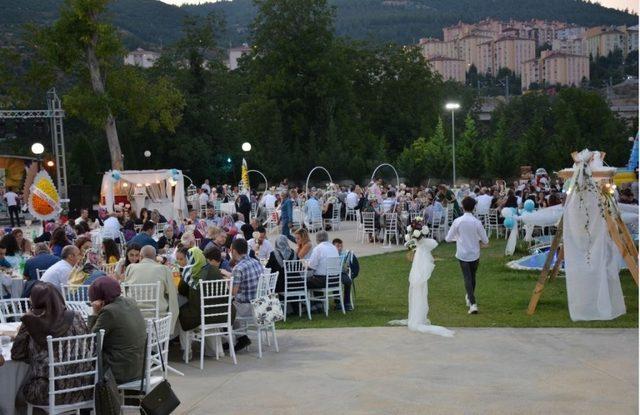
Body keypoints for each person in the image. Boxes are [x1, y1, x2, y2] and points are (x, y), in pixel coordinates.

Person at [11, 282, 91, 406]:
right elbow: (89, 345)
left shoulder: (30, 320)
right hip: (84, 387)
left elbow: (17, 354)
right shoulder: (76, 316)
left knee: (18, 394)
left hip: (47, 392)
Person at [87, 277, 147, 384]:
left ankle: (90, 397)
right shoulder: (131, 302)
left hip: (119, 370)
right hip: (139, 366)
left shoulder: (109, 311)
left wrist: (95, 313)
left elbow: (91, 341)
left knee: (81, 359)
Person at [445, 196, 489, 315]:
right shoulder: (477, 222)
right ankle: (470, 299)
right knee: (472, 277)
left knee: (468, 278)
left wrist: (458, 237)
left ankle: (473, 302)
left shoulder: (457, 221)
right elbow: (485, 240)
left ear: (462, 207)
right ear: (474, 208)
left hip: (463, 253)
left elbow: (448, 239)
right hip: (474, 253)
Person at [176, 246, 234, 333]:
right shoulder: (215, 270)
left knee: (179, 310)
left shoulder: (191, 272)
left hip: (203, 315)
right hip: (225, 312)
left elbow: (181, 290)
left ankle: (183, 345)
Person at [124, 245, 179, 331]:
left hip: (134, 318)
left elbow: (125, 292)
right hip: (158, 320)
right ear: (155, 257)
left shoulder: (131, 268)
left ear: (140, 257)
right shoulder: (164, 269)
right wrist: (170, 326)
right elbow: (173, 296)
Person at [230, 238, 263, 351]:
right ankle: (241, 337)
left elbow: (233, 293)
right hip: (260, 304)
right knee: (233, 304)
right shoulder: (256, 262)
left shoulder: (238, 268)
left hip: (248, 307)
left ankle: (234, 339)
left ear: (234, 251)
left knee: (225, 308)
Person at [333, 238, 359, 311]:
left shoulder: (343, 255)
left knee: (348, 281)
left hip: (341, 273)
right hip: (331, 274)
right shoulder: (330, 254)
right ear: (333, 247)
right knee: (335, 281)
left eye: (341, 246)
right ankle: (337, 303)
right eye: (337, 246)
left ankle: (347, 302)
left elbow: (347, 266)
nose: (340, 248)